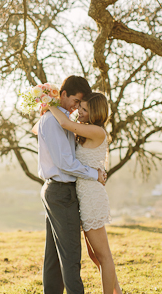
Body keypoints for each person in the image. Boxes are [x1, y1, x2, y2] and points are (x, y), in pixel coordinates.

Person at [36, 76, 107, 294]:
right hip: (61, 191)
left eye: (80, 105)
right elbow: (65, 163)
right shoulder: (53, 121)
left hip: (57, 190)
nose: (77, 107)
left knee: (54, 257)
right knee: (71, 256)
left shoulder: (60, 118)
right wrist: (94, 174)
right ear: (63, 94)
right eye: (76, 101)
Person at [48, 92, 123, 294]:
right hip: (84, 195)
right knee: (94, 255)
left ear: (95, 113)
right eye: (79, 107)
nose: (79, 112)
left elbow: (65, 123)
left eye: (84, 109)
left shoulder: (97, 131)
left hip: (92, 197)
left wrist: (47, 103)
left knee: (103, 255)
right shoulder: (87, 131)